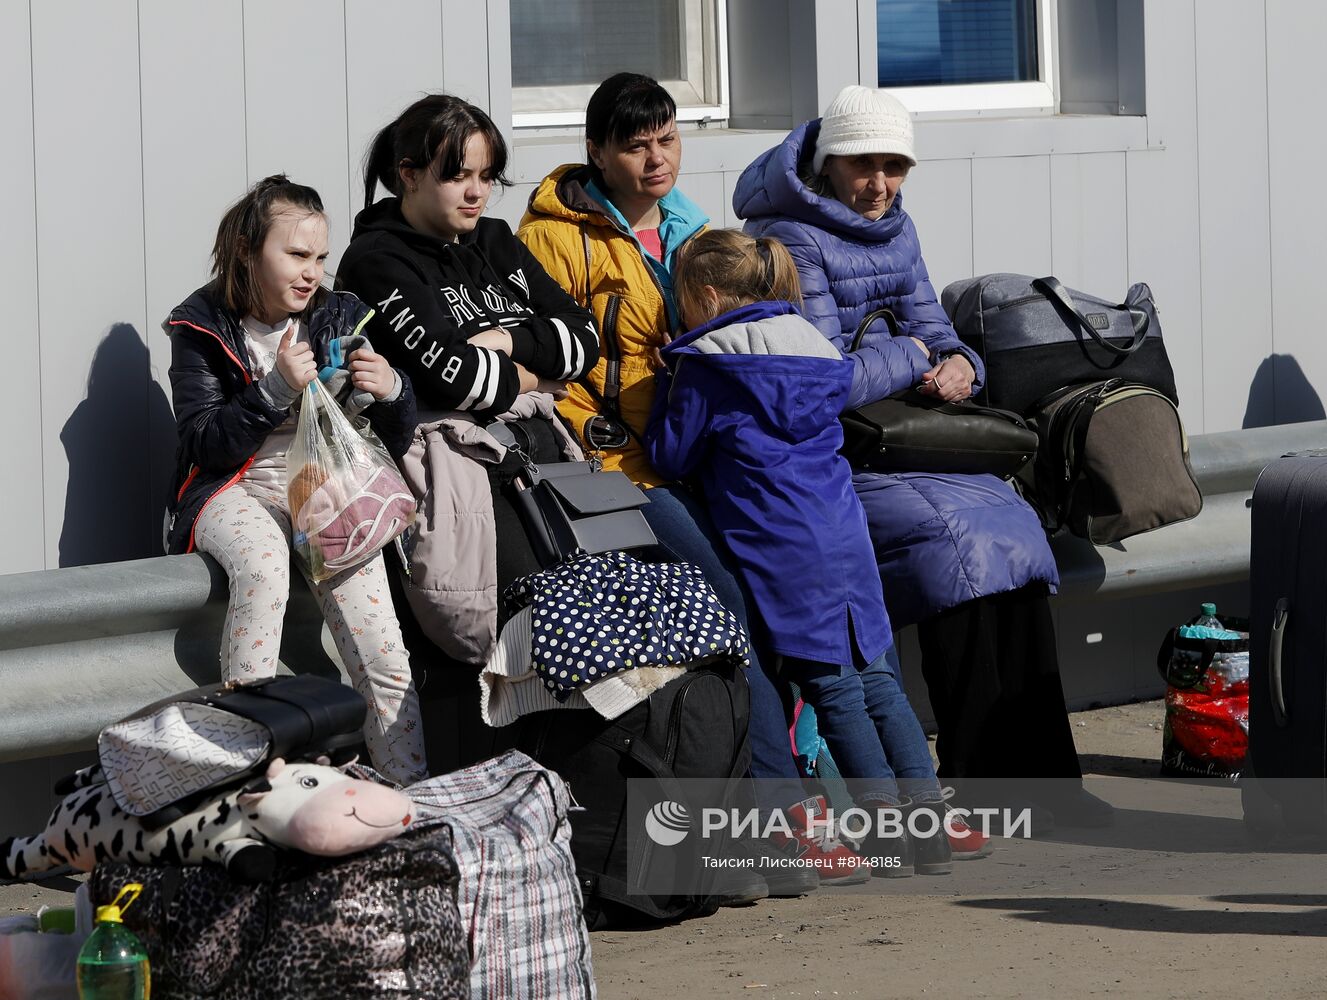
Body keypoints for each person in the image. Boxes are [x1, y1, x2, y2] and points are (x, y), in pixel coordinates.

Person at [519, 72, 900, 884]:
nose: (656, 159)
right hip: (626, 467)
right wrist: (601, 435)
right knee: (733, 619)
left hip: (700, 460)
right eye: (634, 145)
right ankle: (790, 825)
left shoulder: (692, 224)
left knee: (767, 624)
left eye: (666, 139)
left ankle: (814, 810)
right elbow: (559, 362)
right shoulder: (551, 238)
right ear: (595, 152)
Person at [733, 85, 1113, 830]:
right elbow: (823, 378)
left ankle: (1047, 783)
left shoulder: (896, 229)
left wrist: (963, 365)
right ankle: (980, 780)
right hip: (841, 457)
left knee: (1016, 535)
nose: (879, 185)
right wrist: (912, 357)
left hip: (916, 437)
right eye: (862, 165)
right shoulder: (788, 238)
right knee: (953, 549)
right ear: (826, 161)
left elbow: (937, 331)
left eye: (894, 166)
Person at [647, 229, 955, 875]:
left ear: (703, 294)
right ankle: (925, 833)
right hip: (843, 534)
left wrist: (666, 386)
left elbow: (671, 456)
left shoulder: (705, 364)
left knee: (832, 692)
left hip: (780, 547)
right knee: (877, 681)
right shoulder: (814, 345)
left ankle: (882, 837)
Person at [164, 175, 427, 785]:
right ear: (248, 253)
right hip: (233, 485)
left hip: (322, 483)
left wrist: (392, 390)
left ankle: (408, 803)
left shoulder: (339, 313)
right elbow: (204, 443)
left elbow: (390, 430)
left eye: (320, 258)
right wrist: (275, 388)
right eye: (296, 255)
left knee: (383, 653)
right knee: (262, 571)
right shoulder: (201, 325)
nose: (312, 273)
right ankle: (248, 784)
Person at [335, 94, 599, 651]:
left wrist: (506, 340)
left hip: (546, 463)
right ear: (408, 175)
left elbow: (586, 340)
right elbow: (457, 380)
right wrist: (533, 378)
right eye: (457, 176)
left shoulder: (496, 241)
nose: (476, 192)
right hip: (463, 484)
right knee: (534, 649)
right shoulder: (377, 262)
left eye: (486, 176)